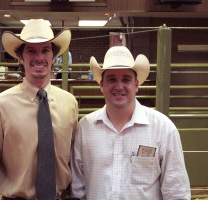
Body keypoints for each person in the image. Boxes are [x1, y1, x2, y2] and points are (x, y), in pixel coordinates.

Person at [0, 19, 79, 200]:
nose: (39, 57)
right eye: (31, 51)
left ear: (54, 57)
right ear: (20, 57)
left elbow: (73, 160)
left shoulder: (69, 103)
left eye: (45, 50)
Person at [70, 46, 191, 200]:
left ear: (136, 85)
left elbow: (176, 192)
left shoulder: (163, 129)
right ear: (101, 85)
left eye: (126, 79)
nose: (119, 86)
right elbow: (77, 187)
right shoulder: (85, 128)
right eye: (112, 79)